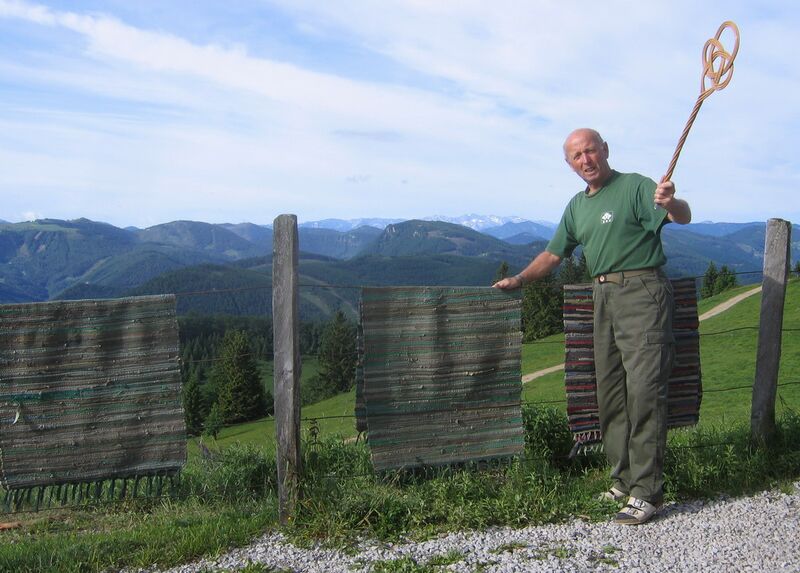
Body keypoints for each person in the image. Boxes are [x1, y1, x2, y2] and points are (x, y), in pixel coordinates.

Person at [494, 128, 691, 525]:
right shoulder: (576, 207)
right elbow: (553, 254)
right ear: (569, 165)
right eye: (577, 156)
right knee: (611, 393)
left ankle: (646, 491)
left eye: (591, 151)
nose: (586, 160)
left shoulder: (634, 186)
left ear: (605, 151)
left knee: (645, 391)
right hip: (602, 296)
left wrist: (672, 202)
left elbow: (680, 216)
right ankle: (621, 479)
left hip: (641, 291)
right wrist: (520, 279)